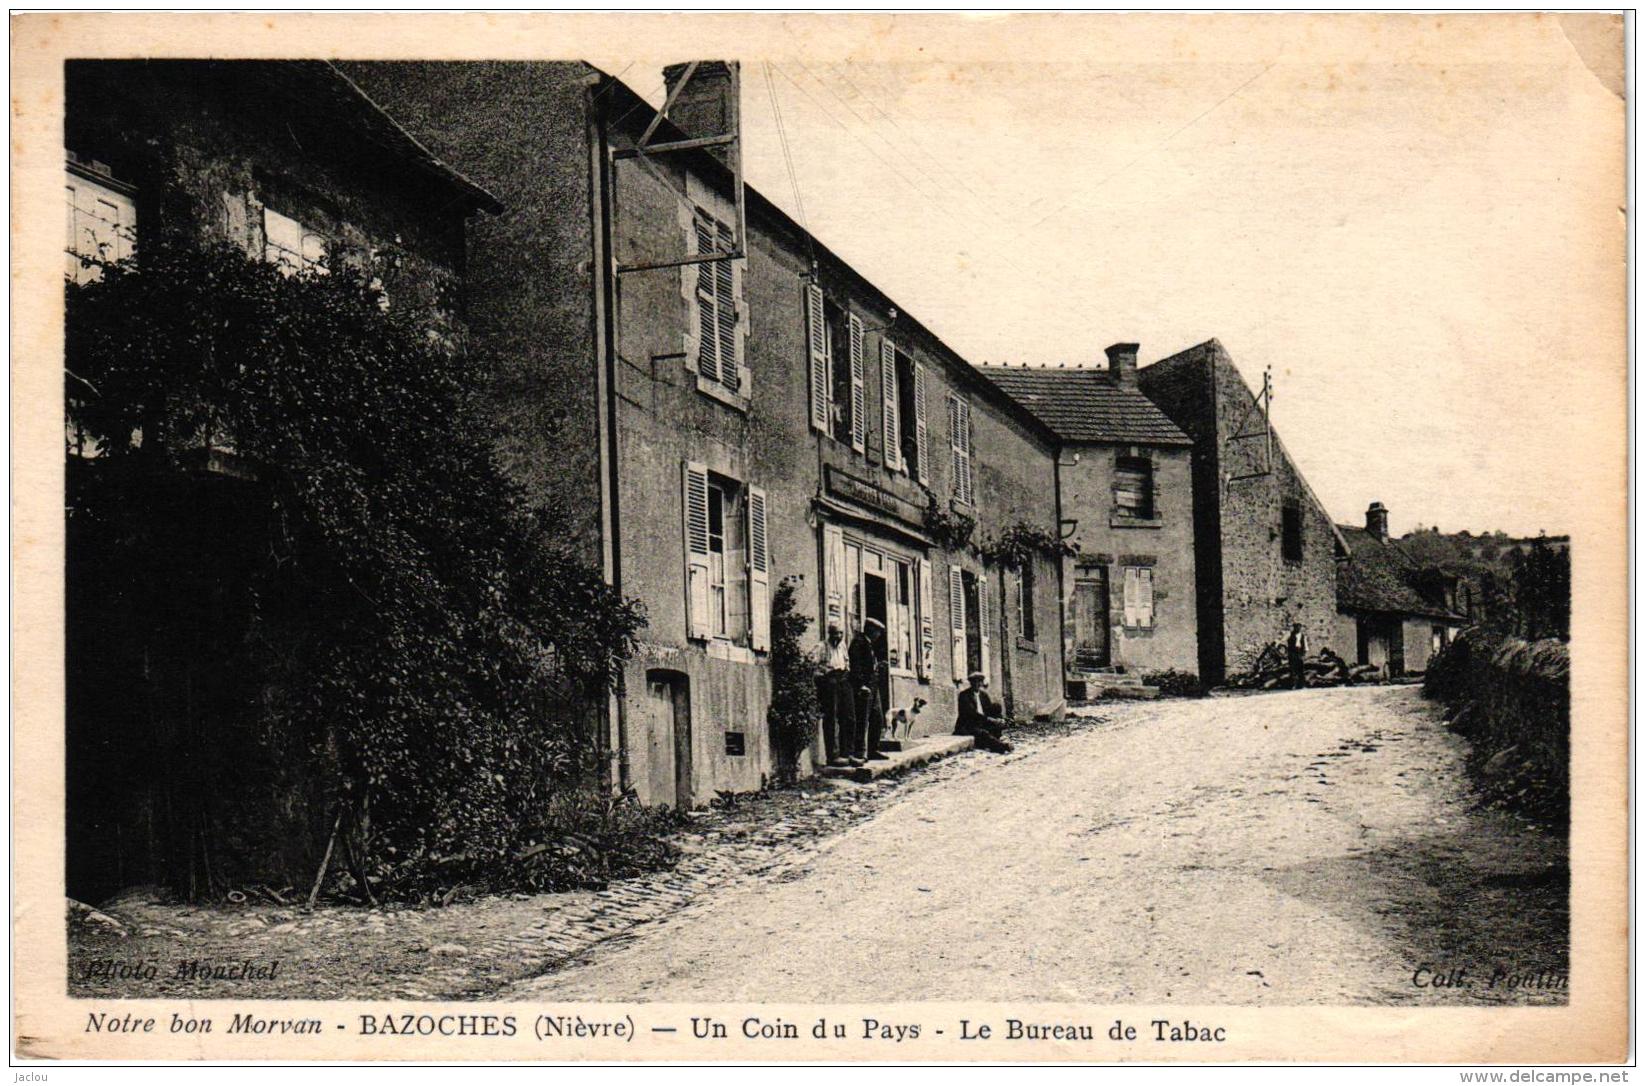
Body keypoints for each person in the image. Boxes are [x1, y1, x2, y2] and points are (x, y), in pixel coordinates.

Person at [848, 618, 890, 764]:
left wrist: (879, 666)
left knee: (877, 717)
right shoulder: (858, 643)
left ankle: (873, 749)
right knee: (862, 719)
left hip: (873, 686)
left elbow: (870, 665)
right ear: (871, 630)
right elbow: (856, 665)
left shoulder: (869, 644)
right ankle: (859, 752)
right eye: (878, 632)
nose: (879, 635)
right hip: (864, 687)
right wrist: (860, 685)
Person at [816, 624, 855, 768]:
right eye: (834, 634)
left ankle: (847, 753)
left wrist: (846, 672)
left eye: (840, 634)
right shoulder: (821, 647)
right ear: (829, 633)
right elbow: (812, 665)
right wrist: (825, 673)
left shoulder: (843, 646)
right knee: (831, 718)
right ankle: (832, 756)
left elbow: (847, 662)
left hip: (843, 681)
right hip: (829, 683)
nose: (837, 637)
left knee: (848, 717)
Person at [954, 670, 1013, 753]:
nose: (978, 684)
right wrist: (990, 719)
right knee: (983, 733)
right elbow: (971, 714)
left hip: (982, 722)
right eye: (975, 681)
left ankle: (990, 742)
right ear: (971, 683)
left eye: (980, 681)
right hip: (968, 724)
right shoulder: (964, 695)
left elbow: (989, 709)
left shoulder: (983, 695)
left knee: (996, 710)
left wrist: (999, 719)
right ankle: (1002, 747)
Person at [1286, 622, 1310, 689]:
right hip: (1292, 653)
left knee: (1301, 670)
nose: (1298, 629)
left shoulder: (1303, 636)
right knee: (1292, 669)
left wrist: (1303, 654)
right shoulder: (1289, 634)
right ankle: (1292, 685)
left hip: (1299, 653)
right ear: (1294, 628)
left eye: (1299, 627)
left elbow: (1305, 646)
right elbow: (1283, 641)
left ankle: (1301, 685)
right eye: (1297, 627)